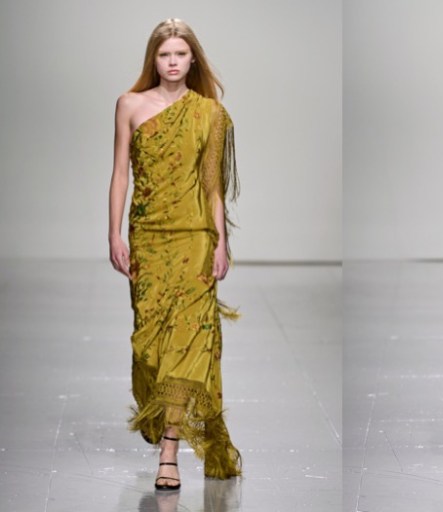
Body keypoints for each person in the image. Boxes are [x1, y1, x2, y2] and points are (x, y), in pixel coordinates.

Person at [108, 18, 242, 491]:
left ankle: (169, 450)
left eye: (180, 54)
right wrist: (114, 234)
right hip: (147, 237)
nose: (172, 62)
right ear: (153, 59)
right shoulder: (129, 105)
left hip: (194, 237)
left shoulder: (210, 113)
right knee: (149, 346)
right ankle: (155, 410)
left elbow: (213, 186)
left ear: (192, 59)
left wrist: (221, 241)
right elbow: (120, 173)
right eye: (164, 54)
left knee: (188, 344)